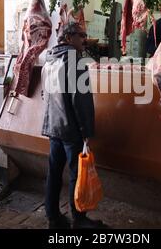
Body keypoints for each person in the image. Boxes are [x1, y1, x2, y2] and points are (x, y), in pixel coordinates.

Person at [41, 22, 106, 229]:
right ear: (69, 37)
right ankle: (79, 219)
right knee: (76, 174)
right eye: (81, 35)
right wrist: (86, 131)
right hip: (70, 129)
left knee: (54, 171)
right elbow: (82, 101)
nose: (84, 39)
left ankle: (52, 215)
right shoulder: (75, 61)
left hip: (54, 126)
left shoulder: (49, 60)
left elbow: (47, 94)